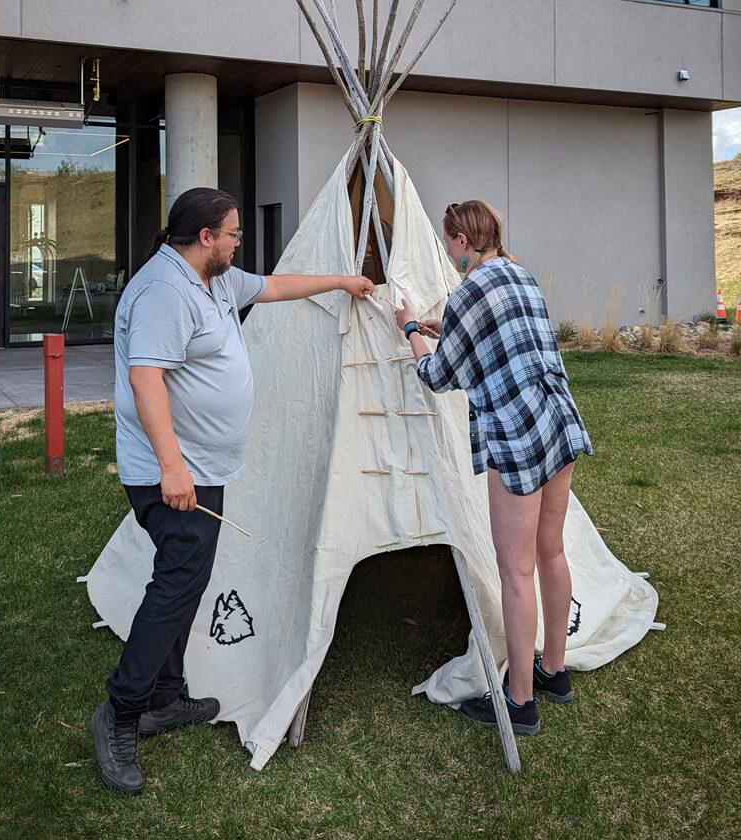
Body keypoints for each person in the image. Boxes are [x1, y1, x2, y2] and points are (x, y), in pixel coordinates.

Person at [92, 186, 373, 795]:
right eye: (233, 233)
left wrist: (344, 281)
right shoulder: (165, 292)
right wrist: (172, 467)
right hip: (171, 472)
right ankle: (120, 711)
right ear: (204, 239)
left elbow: (274, 286)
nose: (238, 241)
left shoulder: (214, 279)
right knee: (177, 584)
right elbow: (146, 381)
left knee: (186, 577)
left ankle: (165, 696)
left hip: (204, 466)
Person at [395, 200, 592, 737]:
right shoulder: (518, 273)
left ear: (460, 240)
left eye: (448, 240)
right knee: (552, 552)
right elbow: (505, 343)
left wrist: (411, 328)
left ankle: (520, 701)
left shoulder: (467, 293)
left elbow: (436, 375)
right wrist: (447, 327)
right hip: (556, 419)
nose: (448, 250)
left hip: (517, 437)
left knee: (515, 571)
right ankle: (555, 672)